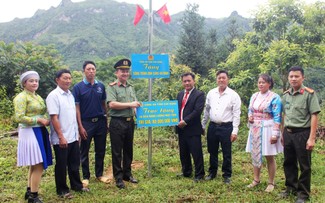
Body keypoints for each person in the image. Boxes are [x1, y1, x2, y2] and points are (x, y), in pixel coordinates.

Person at [280, 66, 321, 203]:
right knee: (288, 162)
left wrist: (312, 138)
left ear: (303, 77)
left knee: (304, 165)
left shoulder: (309, 94)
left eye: (296, 76)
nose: (293, 79)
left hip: (303, 133)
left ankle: (303, 194)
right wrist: (282, 133)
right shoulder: (286, 95)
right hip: (288, 133)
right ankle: (290, 187)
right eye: (291, 76)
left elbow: (314, 115)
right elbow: (284, 115)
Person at [46, 69, 89, 199]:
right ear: (57, 80)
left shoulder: (70, 94)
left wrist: (77, 133)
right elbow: (54, 118)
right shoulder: (53, 96)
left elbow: (73, 115)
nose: (68, 81)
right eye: (65, 78)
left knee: (74, 163)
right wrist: (60, 136)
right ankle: (62, 190)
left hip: (73, 136)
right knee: (61, 165)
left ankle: (77, 185)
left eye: (70, 78)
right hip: (61, 138)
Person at [13, 70, 53, 203]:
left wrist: (45, 119)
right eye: (31, 81)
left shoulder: (37, 96)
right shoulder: (21, 97)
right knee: (38, 164)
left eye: (36, 81)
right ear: (24, 83)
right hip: (30, 132)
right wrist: (38, 120)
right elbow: (18, 117)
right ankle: (34, 196)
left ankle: (29, 190)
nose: (34, 83)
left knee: (34, 163)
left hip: (39, 131)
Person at [72, 61, 108, 187]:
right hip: (86, 123)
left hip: (100, 122)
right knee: (84, 150)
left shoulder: (101, 86)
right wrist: (80, 126)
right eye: (88, 69)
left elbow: (104, 104)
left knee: (100, 150)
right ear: (84, 71)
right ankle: (86, 176)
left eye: (93, 69)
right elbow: (77, 108)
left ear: (95, 71)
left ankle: (99, 174)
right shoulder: (78, 87)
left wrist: (106, 120)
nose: (91, 71)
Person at [201, 70, 241, 184]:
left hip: (226, 127)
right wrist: (203, 125)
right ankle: (212, 172)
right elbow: (207, 110)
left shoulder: (233, 95)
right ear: (216, 79)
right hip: (212, 126)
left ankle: (227, 175)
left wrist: (235, 131)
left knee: (226, 152)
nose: (221, 80)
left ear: (228, 79)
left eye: (223, 78)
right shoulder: (211, 93)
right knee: (212, 150)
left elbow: (236, 114)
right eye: (219, 78)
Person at [107, 58, 141, 189]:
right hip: (117, 123)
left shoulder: (131, 87)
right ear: (117, 72)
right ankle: (118, 177)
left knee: (128, 150)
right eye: (122, 71)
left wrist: (138, 110)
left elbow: (134, 104)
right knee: (117, 152)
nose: (125, 73)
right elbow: (112, 104)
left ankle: (127, 174)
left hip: (129, 122)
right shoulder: (112, 87)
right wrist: (131, 104)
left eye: (127, 71)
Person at [245, 74, 283, 192]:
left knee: (269, 156)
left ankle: (271, 182)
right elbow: (250, 110)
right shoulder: (254, 96)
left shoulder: (274, 97)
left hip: (268, 128)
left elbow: (277, 116)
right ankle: (256, 179)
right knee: (255, 153)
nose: (260, 84)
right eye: (259, 82)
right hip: (255, 128)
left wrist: (275, 133)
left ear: (269, 84)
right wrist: (250, 117)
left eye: (263, 82)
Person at [176, 72, 205, 182]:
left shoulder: (199, 94)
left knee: (196, 152)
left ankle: (199, 174)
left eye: (189, 80)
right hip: (181, 128)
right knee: (183, 152)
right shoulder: (179, 94)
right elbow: (176, 110)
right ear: (182, 82)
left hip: (192, 128)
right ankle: (186, 171)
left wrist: (185, 121)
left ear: (194, 81)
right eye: (185, 81)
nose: (187, 83)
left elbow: (197, 111)